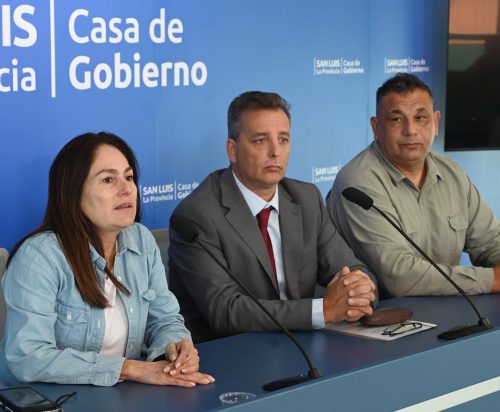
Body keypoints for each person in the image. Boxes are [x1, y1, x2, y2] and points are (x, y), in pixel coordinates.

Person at [1, 132, 214, 387]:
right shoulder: (39, 256)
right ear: (73, 193)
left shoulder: (141, 240)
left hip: (121, 396)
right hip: (45, 398)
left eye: (129, 177)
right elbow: (28, 357)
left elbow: (165, 319)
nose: (126, 189)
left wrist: (176, 348)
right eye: (108, 179)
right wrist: (131, 369)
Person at [168, 91, 376, 342]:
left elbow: (353, 269)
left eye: (283, 139)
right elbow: (225, 311)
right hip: (231, 350)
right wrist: (324, 310)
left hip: (302, 343)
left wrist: (358, 290)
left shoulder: (306, 199)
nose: (275, 151)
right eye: (260, 140)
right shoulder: (197, 216)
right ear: (232, 150)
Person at [328, 73, 500, 298]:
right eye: (396, 119)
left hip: (450, 309)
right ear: (376, 127)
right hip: (382, 315)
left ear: (435, 123)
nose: (410, 130)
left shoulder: (452, 174)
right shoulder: (357, 183)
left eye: (420, 118)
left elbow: (491, 242)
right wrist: (492, 279)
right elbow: (400, 278)